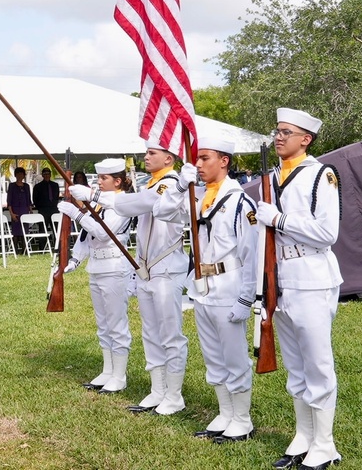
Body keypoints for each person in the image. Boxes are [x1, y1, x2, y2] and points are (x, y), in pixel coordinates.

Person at [71, 141, 190, 415]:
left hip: (167, 266)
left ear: (169, 158)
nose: (146, 157)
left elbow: (141, 204)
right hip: (147, 267)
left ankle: (174, 394)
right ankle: (157, 389)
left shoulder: (170, 183)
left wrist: (94, 196)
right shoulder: (152, 182)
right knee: (150, 332)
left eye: (152, 153)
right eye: (147, 152)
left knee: (170, 334)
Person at [256, 108, 343, 470]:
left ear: (305, 139)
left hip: (311, 276)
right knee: (295, 365)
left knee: (317, 363)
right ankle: (303, 436)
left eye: (286, 132)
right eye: (276, 131)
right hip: (281, 277)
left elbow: (327, 233)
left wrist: (278, 219)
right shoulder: (273, 176)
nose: (278, 137)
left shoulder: (321, 175)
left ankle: (325, 444)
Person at [166, 137, 258, 441]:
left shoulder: (240, 202)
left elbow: (252, 254)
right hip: (202, 287)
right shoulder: (198, 196)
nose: (199, 165)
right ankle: (225, 412)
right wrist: (181, 184)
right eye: (196, 160)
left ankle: (242, 419)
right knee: (213, 357)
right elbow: (164, 212)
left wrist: (247, 297)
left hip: (228, 285)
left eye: (205, 158)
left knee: (234, 357)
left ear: (224, 161)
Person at [59, 158, 135, 393]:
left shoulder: (123, 203)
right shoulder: (101, 205)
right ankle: (108, 370)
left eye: (104, 178)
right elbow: (86, 236)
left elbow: (103, 232)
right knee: (103, 324)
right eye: (99, 178)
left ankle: (119, 376)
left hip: (114, 268)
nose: (99, 182)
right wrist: (75, 259)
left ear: (118, 181)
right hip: (97, 267)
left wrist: (76, 213)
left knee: (116, 324)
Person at [7, 167, 32, 250]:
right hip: (15, 210)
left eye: (21, 174)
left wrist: (30, 211)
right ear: (15, 175)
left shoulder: (27, 186)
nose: (20, 175)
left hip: (24, 210)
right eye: (18, 174)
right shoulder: (12, 186)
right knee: (16, 231)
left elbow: (29, 200)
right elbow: (9, 201)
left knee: (24, 230)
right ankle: (15, 250)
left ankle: (24, 249)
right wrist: (11, 213)